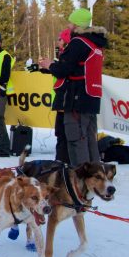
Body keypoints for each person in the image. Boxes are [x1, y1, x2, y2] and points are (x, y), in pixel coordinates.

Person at [38, 8, 107, 167]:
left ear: (76, 24)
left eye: (70, 22)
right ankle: (94, 174)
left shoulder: (78, 43)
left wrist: (50, 65)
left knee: (76, 138)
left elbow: (64, 69)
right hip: (91, 98)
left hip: (77, 98)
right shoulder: (95, 43)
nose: (68, 25)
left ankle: (80, 177)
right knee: (89, 138)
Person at [52, 28, 71, 163]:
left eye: (60, 39)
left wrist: (51, 66)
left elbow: (62, 72)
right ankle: (60, 160)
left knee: (63, 133)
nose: (57, 41)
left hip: (65, 97)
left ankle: (62, 162)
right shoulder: (62, 55)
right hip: (60, 96)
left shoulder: (68, 56)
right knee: (60, 133)